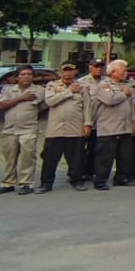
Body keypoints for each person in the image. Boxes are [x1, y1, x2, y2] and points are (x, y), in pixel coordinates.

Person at [0, 66, 46, 194]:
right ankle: (8, 183)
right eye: (23, 74)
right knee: (9, 158)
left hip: (28, 128)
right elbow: (0, 105)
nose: (26, 76)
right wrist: (20, 98)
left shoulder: (39, 90)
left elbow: (38, 103)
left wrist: (14, 101)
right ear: (17, 77)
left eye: (29, 74)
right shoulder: (8, 89)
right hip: (10, 129)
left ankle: (26, 183)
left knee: (27, 157)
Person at [40, 63, 91, 193]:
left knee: (76, 159)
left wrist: (87, 124)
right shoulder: (52, 85)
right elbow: (50, 101)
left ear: (76, 72)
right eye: (65, 70)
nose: (68, 73)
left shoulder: (83, 87)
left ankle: (77, 180)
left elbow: (87, 107)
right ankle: (46, 184)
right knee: (50, 159)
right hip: (55, 129)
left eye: (71, 71)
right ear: (60, 72)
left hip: (75, 129)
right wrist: (69, 92)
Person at [91, 60, 135, 190]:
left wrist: (132, 122)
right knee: (105, 157)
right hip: (109, 127)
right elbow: (109, 100)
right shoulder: (104, 85)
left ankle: (121, 178)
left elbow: (131, 107)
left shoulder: (126, 85)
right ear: (113, 72)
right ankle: (100, 181)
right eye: (123, 71)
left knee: (125, 156)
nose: (126, 73)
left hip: (125, 127)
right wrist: (124, 94)